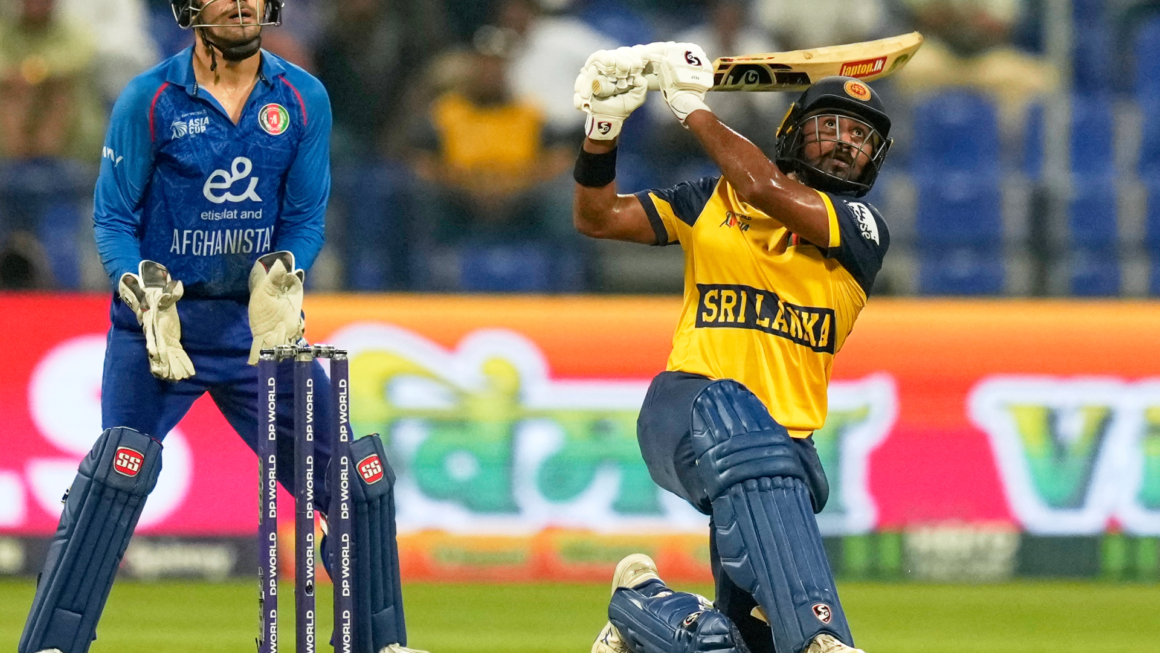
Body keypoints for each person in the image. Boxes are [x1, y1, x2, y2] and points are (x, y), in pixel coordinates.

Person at [17, 3, 419, 653]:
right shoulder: (150, 98)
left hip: (254, 331)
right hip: (160, 325)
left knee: (356, 485)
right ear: (189, 8)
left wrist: (285, 273)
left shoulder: (301, 96)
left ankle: (380, 643)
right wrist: (137, 283)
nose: (240, 4)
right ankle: (53, 643)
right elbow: (113, 217)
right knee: (113, 482)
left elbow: (304, 217)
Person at [572, 45, 893, 653]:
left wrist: (690, 105)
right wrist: (603, 128)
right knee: (744, 425)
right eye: (830, 126)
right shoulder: (709, 201)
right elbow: (598, 217)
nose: (846, 143)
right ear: (791, 132)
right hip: (689, 409)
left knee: (732, 643)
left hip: (779, 454)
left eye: (861, 137)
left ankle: (642, 608)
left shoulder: (862, 229)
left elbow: (761, 185)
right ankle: (821, 635)